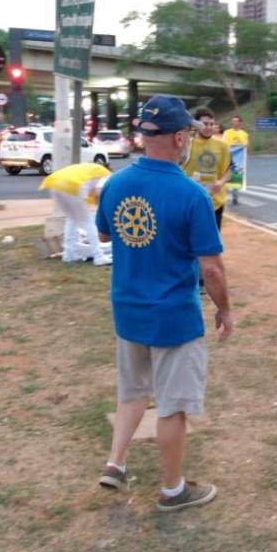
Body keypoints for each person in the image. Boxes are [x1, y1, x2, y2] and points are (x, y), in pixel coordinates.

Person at [95, 95, 232, 512]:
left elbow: (104, 235)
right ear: (178, 137)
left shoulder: (115, 183)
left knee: (132, 392)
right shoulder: (192, 195)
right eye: (188, 132)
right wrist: (225, 309)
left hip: (127, 308)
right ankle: (173, 490)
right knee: (173, 406)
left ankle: (115, 463)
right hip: (173, 316)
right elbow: (212, 270)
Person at [39, 162, 112, 266]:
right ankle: (98, 256)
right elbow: (98, 191)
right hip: (72, 186)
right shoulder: (107, 175)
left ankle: (69, 254)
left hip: (55, 184)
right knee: (87, 221)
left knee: (71, 219)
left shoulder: (90, 169)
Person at [183, 107, 232, 230]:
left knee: (213, 238)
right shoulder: (187, 145)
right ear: (197, 124)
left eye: (211, 124)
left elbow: (229, 170)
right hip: (192, 201)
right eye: (205, 124)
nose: (209, 127)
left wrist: (221, 182)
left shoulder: (222, 146)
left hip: (215, 202)